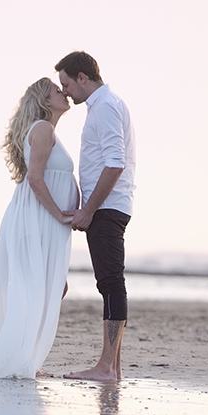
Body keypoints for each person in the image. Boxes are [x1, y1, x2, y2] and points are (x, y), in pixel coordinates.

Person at [0, 78, 79, 379]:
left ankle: (26, 359)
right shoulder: (43, 130)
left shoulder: (45, 131)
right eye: (56, 91)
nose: (64, 93)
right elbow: (35, 179)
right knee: (33, 287)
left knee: (47, 286)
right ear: (46, 101)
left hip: (40, 220)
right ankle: (18, 360)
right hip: (37, 219)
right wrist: (60, 215)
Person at [55, 51, 136, 382]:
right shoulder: (105, 105)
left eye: (67, 84)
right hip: (108, 206)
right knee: (110, 283)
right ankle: (112, 368)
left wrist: (89, 209)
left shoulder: (104, 108)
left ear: (82, 78)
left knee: (111, 283)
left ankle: (106, 366)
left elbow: (115, 163)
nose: (66, 92)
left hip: (107, 208)